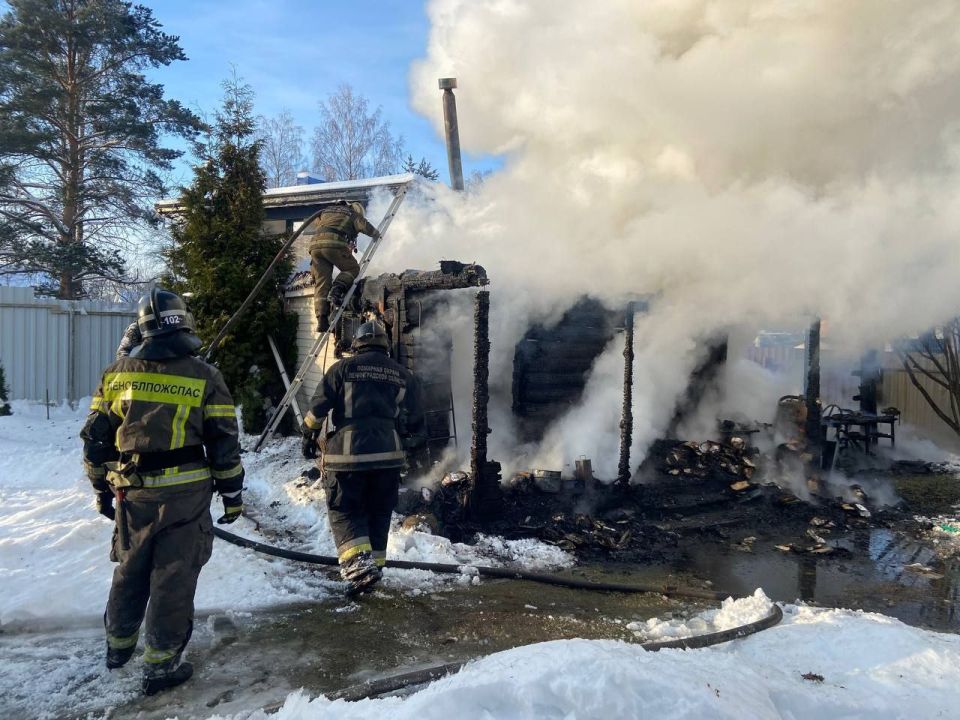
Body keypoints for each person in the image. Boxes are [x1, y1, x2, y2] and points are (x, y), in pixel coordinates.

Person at [80, 288, 244, 695]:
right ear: (183, 323)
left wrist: (100, 486)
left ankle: (118, 649)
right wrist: (232, 494)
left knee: (129, 570)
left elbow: (95, 440)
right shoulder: (205, 376)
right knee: (173, 577)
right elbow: (223, 441)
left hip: (132, 495)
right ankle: (161, 664)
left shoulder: (117, 373)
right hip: (186, 498)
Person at [300, 320, 424, 595]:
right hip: (388, 457)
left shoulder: (341, 369)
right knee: (379, 511)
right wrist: (412, 446)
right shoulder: (403, 374)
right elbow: (415, 419)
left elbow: (317, 408)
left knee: (345, 509)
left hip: (348, 455)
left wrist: (308, 435)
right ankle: (374, 568)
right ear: (385, 345)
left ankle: (359, 567)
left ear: (356, 345)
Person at [308, 200, 381, 333]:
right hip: (333, 244)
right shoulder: (352, 214)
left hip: (314, 247)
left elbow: (319, 223)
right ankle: (336, 290)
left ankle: (322, 320)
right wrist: (376, 234)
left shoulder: (326, 211)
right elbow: (365, 226)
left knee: (322, 283)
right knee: (352, 269)